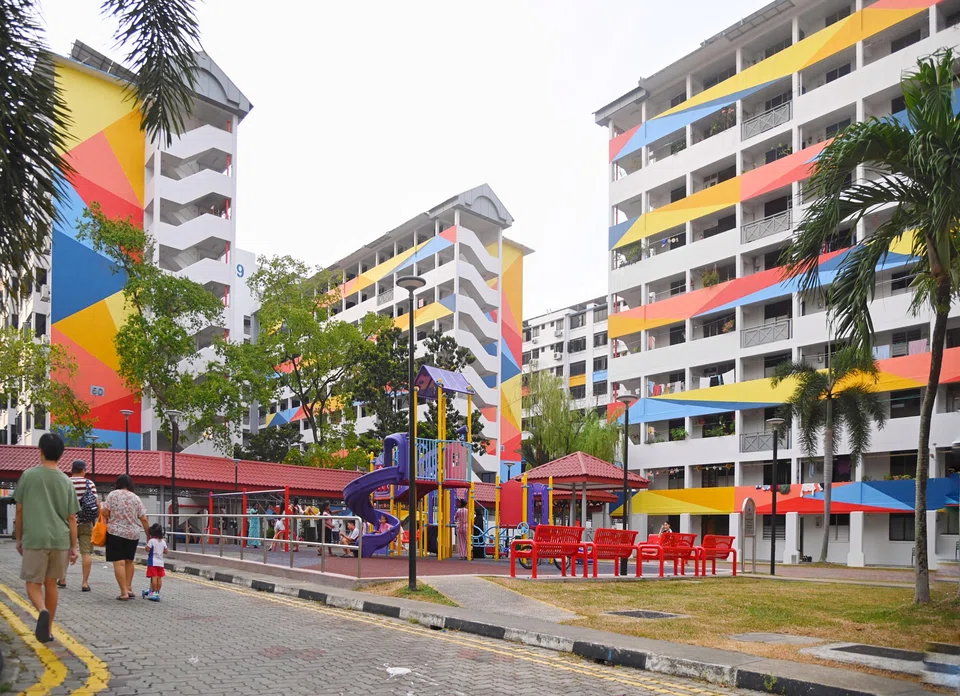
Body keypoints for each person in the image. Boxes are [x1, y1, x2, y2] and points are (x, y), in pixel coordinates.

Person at [13, 433, 79, 643]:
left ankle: (41, 610)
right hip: (60, 540)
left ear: (39, 451)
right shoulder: (66, 482)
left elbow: (20, 510)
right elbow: (71, 517)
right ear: (61, 455)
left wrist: (19, 537)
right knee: (51, 584)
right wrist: (74, 546)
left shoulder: (28, 476)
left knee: (33, 583)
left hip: (36, 537)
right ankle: (48, 630)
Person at [101, 474, 150, 600]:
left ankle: (124, 593)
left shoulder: (113, 495)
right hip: (133, 534)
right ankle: (129, 588)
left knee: (119, 562)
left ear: (117, 483)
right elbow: (143, 518)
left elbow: (105, 513)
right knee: (129, 561)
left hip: (115, 533)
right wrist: (149, 536)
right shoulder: (136, 498)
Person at [58, 459, 99, 592]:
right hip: (86, 522)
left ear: (72, 470)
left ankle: (62, 579)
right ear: (83, 470)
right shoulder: (89, 483)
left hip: (68, 522)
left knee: (65, 550)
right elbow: (96, 502)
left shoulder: (65, 482)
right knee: (86, 553)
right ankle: (85, 583)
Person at [142, 523, 167, 601]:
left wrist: (146, 547)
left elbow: (148, 549)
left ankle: (153, 592)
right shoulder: (163, 541)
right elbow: (166, 551)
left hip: (152, 562)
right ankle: (157, 593)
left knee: (154, 577)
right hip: (160, 563)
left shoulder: (151, 541)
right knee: (159, 578)